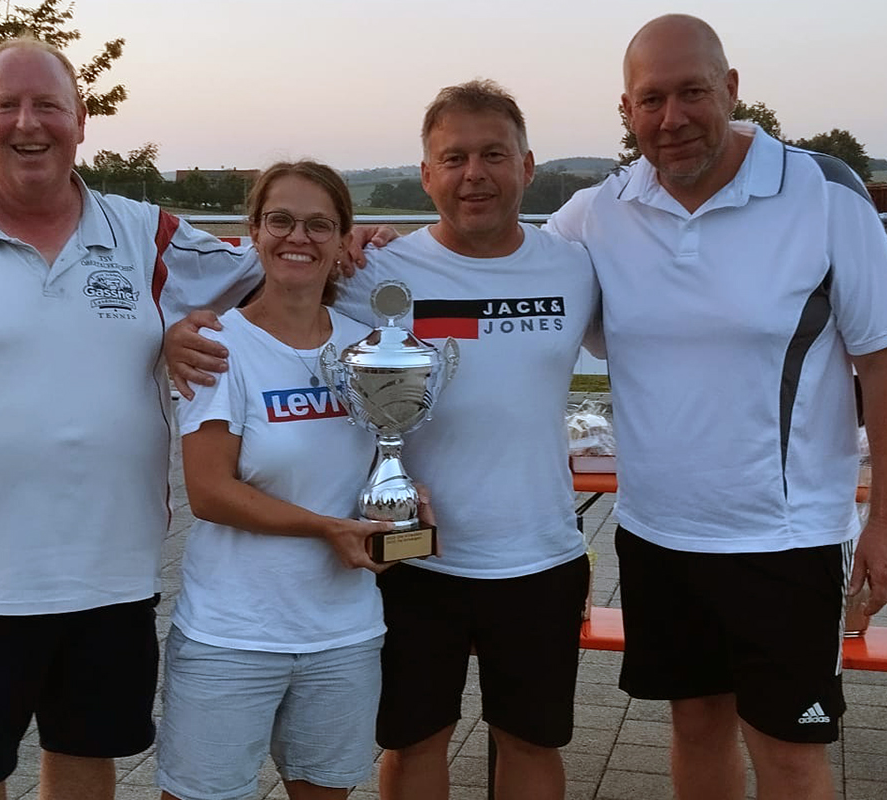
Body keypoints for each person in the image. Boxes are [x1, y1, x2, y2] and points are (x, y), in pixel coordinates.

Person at [0, 37, 268, 800]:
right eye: (6, 106)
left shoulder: (145, 234)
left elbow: (275, 276)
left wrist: (360, 248)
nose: (28, 123)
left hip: (113, 576)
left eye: (48, 106)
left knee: (85, 759)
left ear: (81, 120)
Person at [168, 80, 598, 800]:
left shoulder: (575, 266)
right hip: (408, 558)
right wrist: (175, 334)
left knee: (531, 740)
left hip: (540, 556)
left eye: (494, 154)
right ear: (427, 174)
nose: (474, 174)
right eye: (453, 158)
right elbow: (279, 295)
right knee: (412, 741)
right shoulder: (376, 272)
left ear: (527, 166)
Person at [544, 14, 887, 800]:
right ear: (626, 110)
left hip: (785, 540)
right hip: (656, 533)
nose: (672, 118)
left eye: (692, 93)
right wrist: (374, 253)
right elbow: (496, 275)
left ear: (731, 88)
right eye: (651, 100)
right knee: (694, 726)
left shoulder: (822, 193)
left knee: (787, 753)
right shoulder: (600, 211)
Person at [158, 160, 394, 800]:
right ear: (255, 232)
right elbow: (210, 492)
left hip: (343, 632)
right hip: (233, 632)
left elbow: (383, 458)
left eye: (319, 224)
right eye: (281, 220)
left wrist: (406, 500)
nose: (299, 237)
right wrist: (327, 528)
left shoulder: (367, 347)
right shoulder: (218, 344)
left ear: (342, 238)